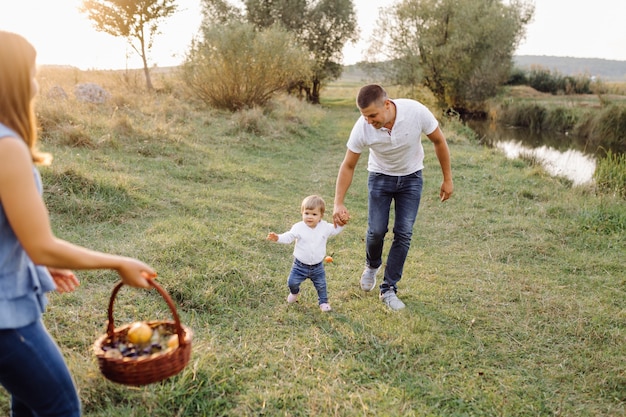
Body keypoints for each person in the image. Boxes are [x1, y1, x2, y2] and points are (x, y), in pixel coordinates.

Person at [0, 30, 157, 417]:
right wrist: (118, 262)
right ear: (15, 80)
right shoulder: (7, 147)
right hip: (4, 318)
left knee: (30, 403)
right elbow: (41, 243)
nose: (37, 85)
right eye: (32, 74)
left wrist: (33, 258)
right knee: (60, 406)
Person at [332, 84, 453, 311]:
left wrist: (447, 178)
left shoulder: (415, 112)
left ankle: (388, 289)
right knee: (376, 230)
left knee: (404, 232)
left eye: (372, 115)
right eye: (364, 116)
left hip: (411, 178)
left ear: (387, 105)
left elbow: (439, 141)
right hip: (380, 177)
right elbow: (348, 165)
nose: (369, 121)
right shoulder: (363, 127)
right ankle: (372, 265)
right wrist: (338, 202)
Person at [267, 195, 344, 312]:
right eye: (306, 213)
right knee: (291, 282)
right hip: (299, 266)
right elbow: (289, 237)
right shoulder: (299, 227)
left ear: (321, 216)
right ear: (302, 212)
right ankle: (294, 293)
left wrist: (342, 222)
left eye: (314, 214)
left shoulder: (324, 227)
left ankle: (323, 302)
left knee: (321, 286)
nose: (309, 217)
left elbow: (335, 229)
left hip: (317, 267)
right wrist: (277, 237)